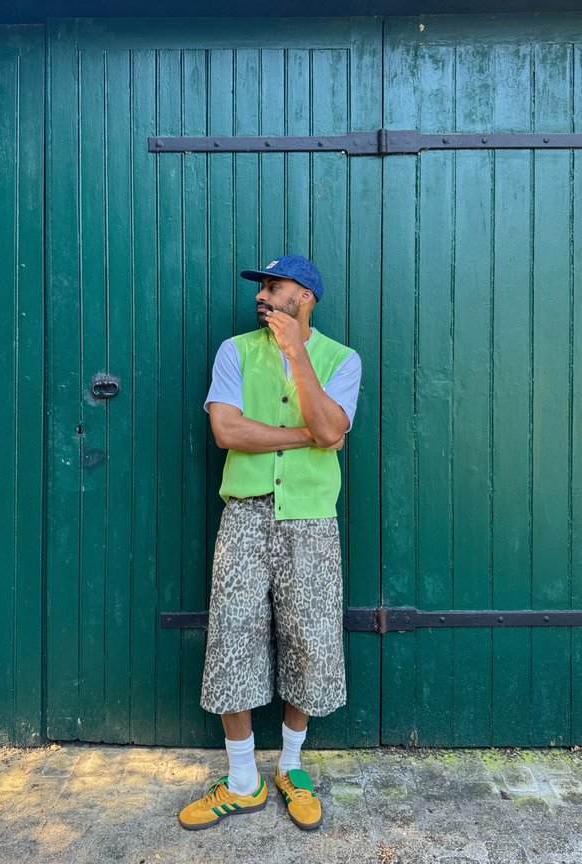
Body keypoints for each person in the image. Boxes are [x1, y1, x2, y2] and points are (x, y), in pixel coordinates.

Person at [178, 254, 362, 831]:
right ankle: (241, 781)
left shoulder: (341, 360)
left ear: (303, 296)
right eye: (260, 286)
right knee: (232, 635)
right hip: (245, 517)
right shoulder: (234, 351)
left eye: (272, 286)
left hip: (310, 520)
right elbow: (226, 430)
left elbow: (333, 431)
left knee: (309, 637)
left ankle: (290, 766)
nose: (260, 296)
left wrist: (297, 356)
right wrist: (304, 435)